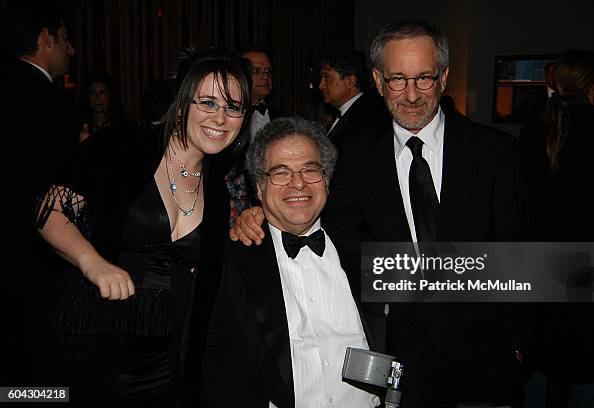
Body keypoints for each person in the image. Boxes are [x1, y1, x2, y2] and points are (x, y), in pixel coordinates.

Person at [231, 19, 534, 407]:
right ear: (377, 80)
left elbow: (522, 253)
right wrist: (258, 216)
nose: (410, 95)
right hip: (403, 367)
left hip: (488, 360)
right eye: (397, 79)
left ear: (443, 77)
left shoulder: (495, 153)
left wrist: (517, 346)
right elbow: (316, 221)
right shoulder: (356, 159)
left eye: (423, 78)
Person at [34, 49, 251, 407]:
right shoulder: (123, 144)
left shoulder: (218, 186)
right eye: (209, 102)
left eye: (234, 107)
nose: (221, 117)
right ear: (182, 103)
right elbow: (50, 210)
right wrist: (93, 262)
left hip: (167, 361)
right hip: (95, 340)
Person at [204, 117, 378, 407]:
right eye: (281, 172)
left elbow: (415, 329)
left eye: (310, 169)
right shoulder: (231, 262)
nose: (298, 183)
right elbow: (210, 359)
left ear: (327, 181)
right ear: (259, 187)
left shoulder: (366, 253)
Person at [519, 49, 594, 408]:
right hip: (593, 264)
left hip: (540, 260)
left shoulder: (534, 130)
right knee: (587, 368)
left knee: (540, 362)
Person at [0, 4, 77, 387]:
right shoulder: (46, 101)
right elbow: (52, 193)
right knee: (38, 369)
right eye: (65, 39)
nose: (71, 50)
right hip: (33, 259)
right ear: (46, 39)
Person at [318, 46, 390, 151]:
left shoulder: (367, 119)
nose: (321, 85)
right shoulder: (354, 113)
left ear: (350, 81)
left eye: (327, 78)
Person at [76, 71, 135, 142]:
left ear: (110, 95)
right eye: (93, 92)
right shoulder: (77, 127)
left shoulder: (125, 127)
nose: (97, 97)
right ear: (87, 96)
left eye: (102, 92)